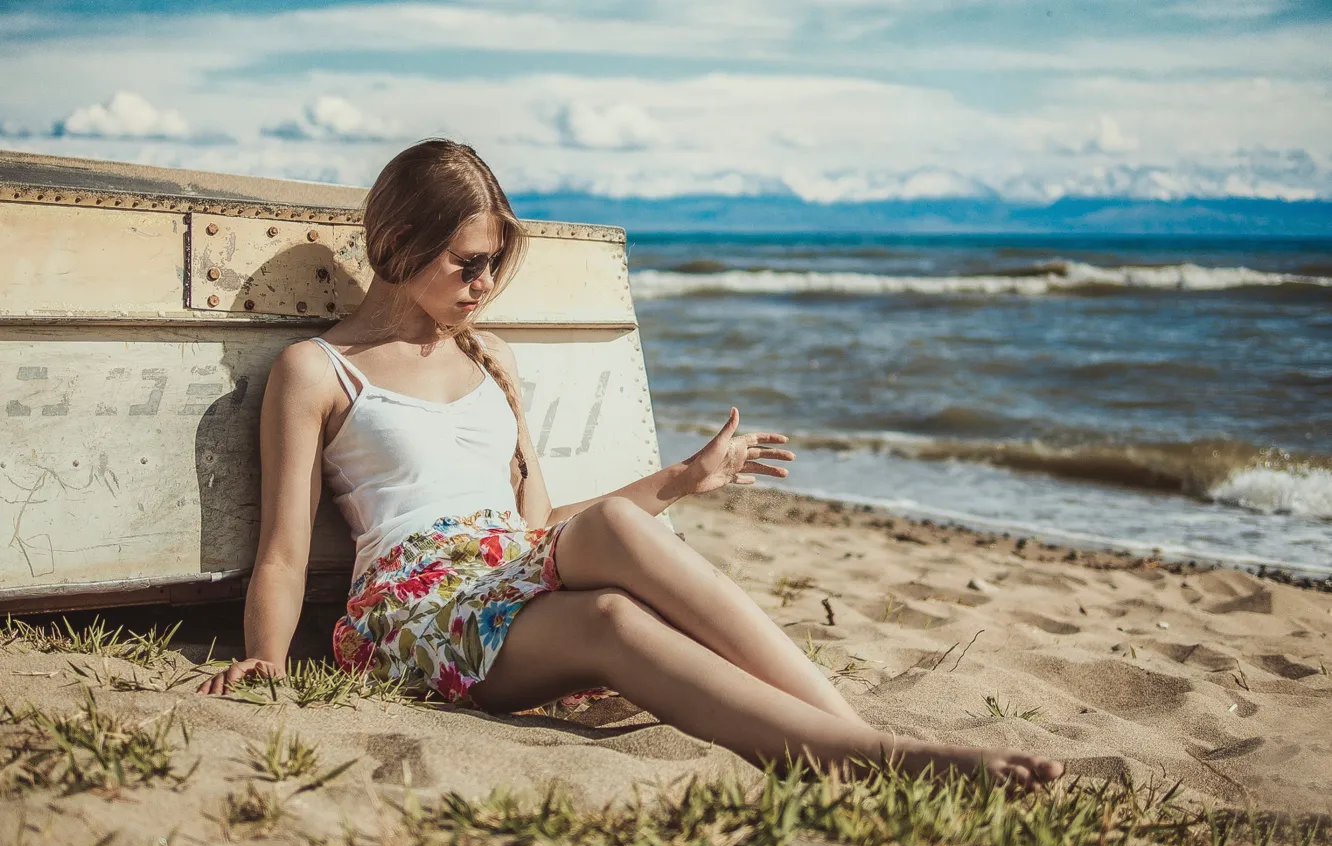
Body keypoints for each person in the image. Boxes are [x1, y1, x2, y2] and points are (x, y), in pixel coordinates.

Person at [200, 139, 1063, 789]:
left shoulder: (491, 358)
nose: (485, 282)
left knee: (610, 579)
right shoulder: (319, 369)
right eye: (468, 261)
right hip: (414, 606)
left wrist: (685, 480)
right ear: (399, 242)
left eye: (496, 261)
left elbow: (538, 531)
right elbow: (282, 548)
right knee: (608, 598)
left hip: (503, 572)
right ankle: (878, 756)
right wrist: (267, 659)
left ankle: (865, 744)